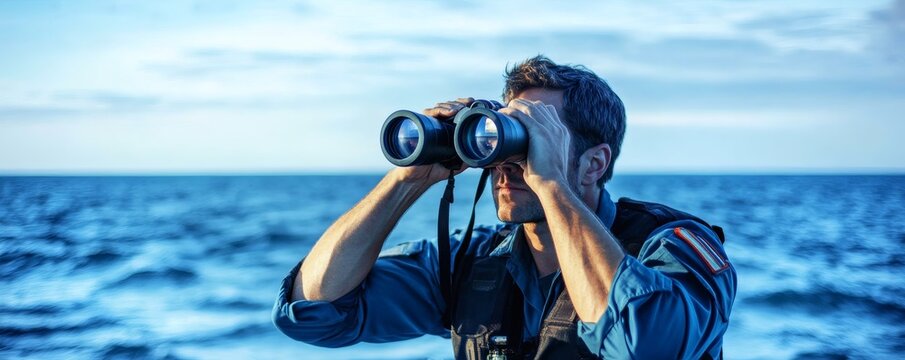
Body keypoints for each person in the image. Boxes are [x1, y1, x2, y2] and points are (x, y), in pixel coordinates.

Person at [272, 56, 737, 359]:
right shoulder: (473, 262)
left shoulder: (672, 251)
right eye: (503, 145)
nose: (510, 167)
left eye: (532, 143)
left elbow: (647, 346)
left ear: (594, 163)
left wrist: (552, 183)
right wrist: (409, 178)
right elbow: (315, 311)